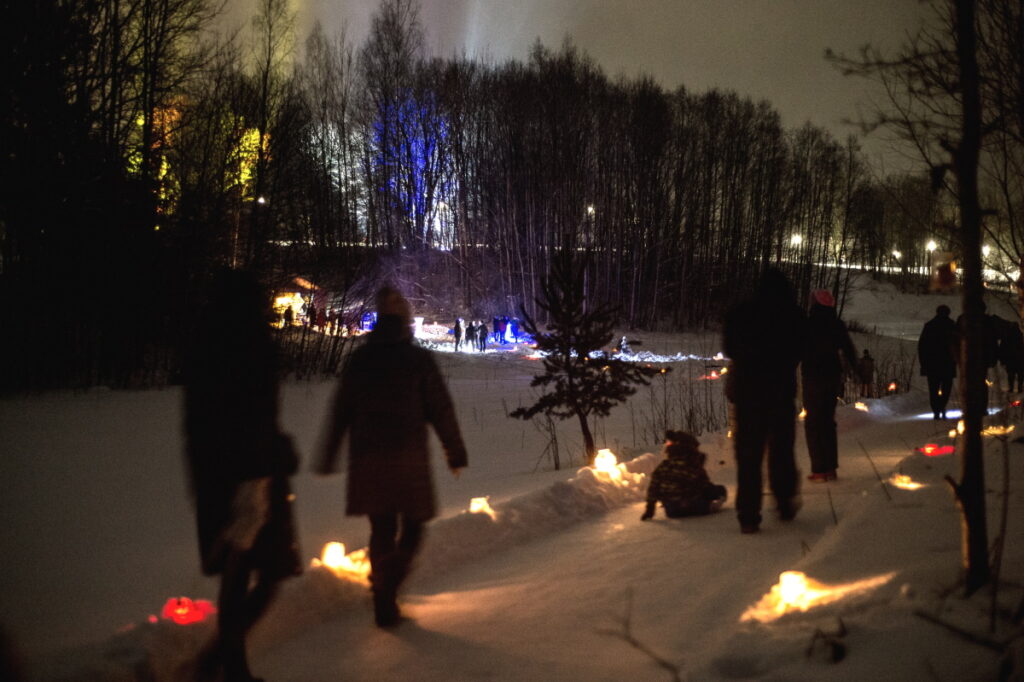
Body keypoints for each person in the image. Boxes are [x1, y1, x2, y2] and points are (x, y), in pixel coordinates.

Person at [317, 286, 467, 627]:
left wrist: (328, 454)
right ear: (405, 320)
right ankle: (387, 587)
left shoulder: (360, 360)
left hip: (369, 461)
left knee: (381, 528)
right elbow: (440, 409)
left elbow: (340, 409)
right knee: (413, 528)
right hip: (407, 460)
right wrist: (454, 451)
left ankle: (383, 597)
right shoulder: (418, 360)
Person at [184, 269, 300, 682]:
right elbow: (239, 419)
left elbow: (230, 420)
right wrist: (270, 455)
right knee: (254, 576)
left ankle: (223, 662)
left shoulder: (211, 346)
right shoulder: (241, 348)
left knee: (252, 577)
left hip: (234, 476)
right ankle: (224, 665)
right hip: (246, 481)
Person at [722, 268, 805, 534]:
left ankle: (748, 513)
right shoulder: (793, 315)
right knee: (781, 450)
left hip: (748, 393)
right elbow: (801, 348)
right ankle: (783, 501)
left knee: (748, 455)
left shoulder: (741, 313)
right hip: (780, 392)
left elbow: (729, 348)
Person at [801, 289, 857, 482]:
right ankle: (831, 468)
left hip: (812, 378)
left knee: (813, 423)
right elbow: (849, 349)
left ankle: (819, 470)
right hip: (832, 377)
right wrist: (857, 371)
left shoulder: (807, 325)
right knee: (827, 422)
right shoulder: (836, 324)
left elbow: (797, 351)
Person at [640, 430, 727, 520]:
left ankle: (678, 502)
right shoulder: (692, 464)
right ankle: (710, 506)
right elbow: (703, 484)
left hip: (672, 510)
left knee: (678, 499)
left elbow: (653, 488)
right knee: (719, 490)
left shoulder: (664, 466)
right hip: (692, 504)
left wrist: (650, 510)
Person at [919, 305, 959, 420]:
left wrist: (924, 363)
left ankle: (936, 410)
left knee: (933, 389)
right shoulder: (952, 326)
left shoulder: (929, 326)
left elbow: (922, 347)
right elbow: (957, 344)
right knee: (946, 389)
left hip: (932, 364)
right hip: (947, 364)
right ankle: (941, 407)